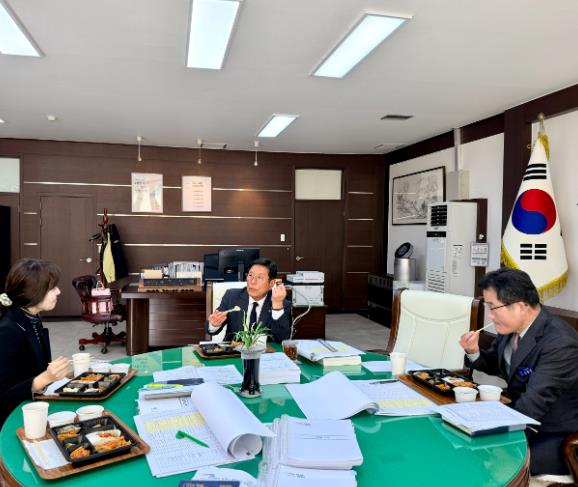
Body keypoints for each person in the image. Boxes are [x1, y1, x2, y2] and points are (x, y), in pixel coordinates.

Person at [459, 267, 578, 476]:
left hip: (553, 435)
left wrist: (483, 426)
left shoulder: (560, 343)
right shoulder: (511, 328)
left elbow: (532, 404)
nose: (490, 316)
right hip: (519, 415)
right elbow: (495, 364)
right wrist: (473, 352)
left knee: (485, 460)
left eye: (493, 307)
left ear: (520, 306)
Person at [0, 259, 70, 428]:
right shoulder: (7, 331)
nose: (59, 291)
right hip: (12, 422)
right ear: (33, 292)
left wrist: (53, 375)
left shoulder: (31, 318)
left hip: (32, 408)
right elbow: (3, 396)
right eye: (52, 288)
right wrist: (44, 378)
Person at [205, 258, 291, 343]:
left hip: (265, 351)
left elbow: (282, 338)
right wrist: (214, 324)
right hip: (234, 350)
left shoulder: (282, 304)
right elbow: (211, 329)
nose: (253, 281)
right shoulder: (232, 296)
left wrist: (277, 306)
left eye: (260, 277)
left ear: (271, 284)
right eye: (250, 275)